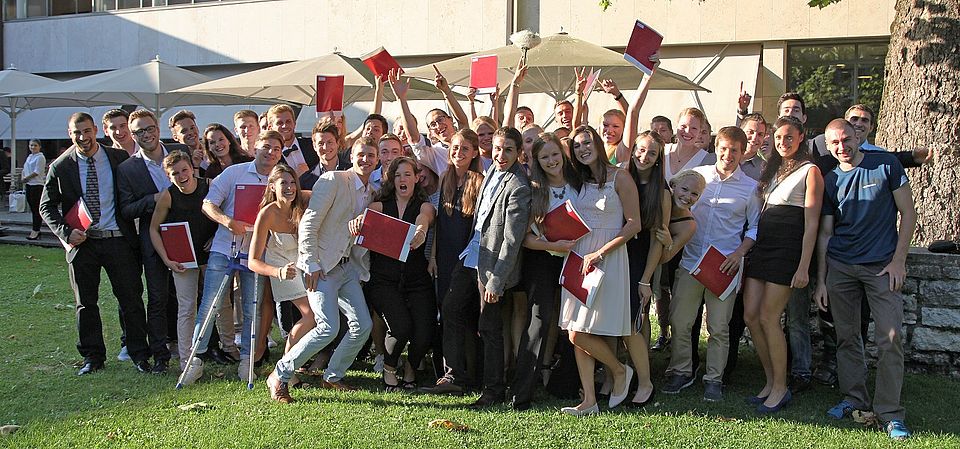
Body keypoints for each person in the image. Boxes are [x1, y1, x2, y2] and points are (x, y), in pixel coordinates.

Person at [815, 118, 916, 440]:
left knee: (890, 338)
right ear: (828, 146)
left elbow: (909, 213)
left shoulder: (885, 165)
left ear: (857, 137)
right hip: (841, 267)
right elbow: (826, 233)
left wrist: (899, 261)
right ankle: (854, 398)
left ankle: (890, 413)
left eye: (846, 139)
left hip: (881, 267)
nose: (842, 146)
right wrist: (822, 280)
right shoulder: (830, 179)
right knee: (846, 337)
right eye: (834, 143)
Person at [265, 136, 379, 403]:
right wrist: (311, 263)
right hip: (321, 267)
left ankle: (333, 376)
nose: (365, 159)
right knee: (327, 327)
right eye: (361, 154)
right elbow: (309, 223)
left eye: (371, 155)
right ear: (351, 156)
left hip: (347, 267)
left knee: (362, 325)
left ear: (377, 160)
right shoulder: (333, 180)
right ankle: (279, 375)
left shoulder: (371, 192)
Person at [424, 127, 530, 410]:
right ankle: (456, 376)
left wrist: (496, 281)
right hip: (470, 254)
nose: (501, 155)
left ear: (519, 152)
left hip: (493, 266)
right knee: (451, 308)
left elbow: (511, 240)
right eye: (497, 148)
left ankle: (493, 390)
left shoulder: (519, 186)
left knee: (489, 327)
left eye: (508, 150)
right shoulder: (492, 171)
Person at [39, 112, 151, 375]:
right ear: (70, 134)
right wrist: (66, 232)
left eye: (87, 131)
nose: (83, 137)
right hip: (83, 244)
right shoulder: (61, 166)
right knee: (85, 303)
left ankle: (139, 354)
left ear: (96, 131)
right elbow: (46, 206)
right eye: (77, 132)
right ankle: (92, 357)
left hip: (118, 240)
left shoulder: (118, 158)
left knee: (131, 299)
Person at [662, 126, 760, 402]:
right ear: (716, 147)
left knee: (719, 328)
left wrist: (739, 254)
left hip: (724, 266)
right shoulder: (698, 176)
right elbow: (675, 202)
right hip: (691, 260)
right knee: (680, 321)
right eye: (724, 148)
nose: (728, 155)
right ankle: (682, 370)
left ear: (743, 152)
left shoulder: (750, 188)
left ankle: (714, 378)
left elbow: (754, 227)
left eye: (734, 150)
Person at [181, 130, 284, 384]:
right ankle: (194, 360)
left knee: (252, 307)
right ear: (255, 147)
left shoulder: (280, 179)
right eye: (266, 147)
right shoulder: (233, 173)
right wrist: (228, 221)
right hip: (225, 247)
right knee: (210, 304)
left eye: (276, 149)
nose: (270, 153)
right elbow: (208, 204)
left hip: (257, 252)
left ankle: (247, 360)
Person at [742, 116, 823, 413]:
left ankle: (781, 387)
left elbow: (812, 225)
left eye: (789, 137)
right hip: (763, 246)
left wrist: (803, 267)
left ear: (801, 137)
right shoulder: (773, 168)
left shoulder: (810, 171)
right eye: (778, 137)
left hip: (788, 250)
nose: (783, 142)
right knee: (751, 316)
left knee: (769, 317)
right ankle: (769, 381)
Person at [559, 125, 642, 416]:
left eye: (587, 142)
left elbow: (634, 224)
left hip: (608, 257)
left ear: (597, 142)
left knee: (581, 332)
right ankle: (590, 401)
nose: (583, 149)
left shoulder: (621, 176)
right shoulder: (577, 180)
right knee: (576, 328)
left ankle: (619, 370)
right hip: (580, 256)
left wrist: (601, 252)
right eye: (577, 146)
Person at [513, 132, 581, 411]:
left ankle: (567, 385)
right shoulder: (534, 189)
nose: (552, 161)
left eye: (555, 154)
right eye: (545, 157)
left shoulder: (580, 183)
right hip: (543, 259)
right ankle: (522, 392)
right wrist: (552, 245)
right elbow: (525, 238)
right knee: (539, 321)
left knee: (575, 322)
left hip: (576, 258)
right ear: (536, 160)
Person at [359, 156, 436, 391]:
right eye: (398, 175)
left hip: (417, 279)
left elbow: (424, 218)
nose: (403, 179)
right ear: (391, 180)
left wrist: (420, 231)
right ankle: (390, 368)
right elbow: (364, 220)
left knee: (424, 333)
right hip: (383, 281)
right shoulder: (379, 206)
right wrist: (359, 221)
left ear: (416, 178)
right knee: (401, 327)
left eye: (408, 174)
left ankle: (411, 368)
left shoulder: (423, 206)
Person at [117, 109, 180, 374]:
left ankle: (196, 347)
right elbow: (126, 209)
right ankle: (160, 354)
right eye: (139, 131)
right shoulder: (127, 168)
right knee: (157, 297)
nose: (146, 134)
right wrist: (151, 200)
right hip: (152, 239)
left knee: (189, 295)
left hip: (185, 233)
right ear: (132, 135)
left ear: (158, 127)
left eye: (149, 128)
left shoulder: (179, 153)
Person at [423, 128, 485, 386]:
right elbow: (439, 223)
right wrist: (433, 256)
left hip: (467, 257)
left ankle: (467, 374)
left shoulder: (479, 181)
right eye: (455, 147)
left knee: (465, 314)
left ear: (474, 153)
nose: (458, 152)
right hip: (445, 255)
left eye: (465, 149)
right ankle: (450, 373)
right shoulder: (445, 177)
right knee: (447, 313)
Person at [148, 150, 217, 377]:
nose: (181, 176)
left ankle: (227, 347)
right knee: (187, 307)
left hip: (210, 254)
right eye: (175, 173)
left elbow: (225, 214)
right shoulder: (167, 196)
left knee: (219, 303)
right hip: (182, 258)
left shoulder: (209, 186)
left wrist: (216, 237)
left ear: (192, 169)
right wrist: (166, 259)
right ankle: (187, 359)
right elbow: (154, 229)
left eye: (184, 170)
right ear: (168, 176)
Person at [247, 164, 314, 358]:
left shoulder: (304, 201)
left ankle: (299, 359)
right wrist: (278, 272)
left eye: (293, 182)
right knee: (311, 315)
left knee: (317, 315)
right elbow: (253, 261)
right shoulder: (267, 213)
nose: (289, 187)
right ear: (272, 186)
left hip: (302, 264)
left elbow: (329, 195)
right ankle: (286, 365)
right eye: (283, 183)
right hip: (281, 267)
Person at [266, 104, 318, 177]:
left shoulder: (312, 145)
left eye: (288, 121)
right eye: (280, 123)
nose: (285, 126)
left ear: (294, 123)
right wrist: (295, 176)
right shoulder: (269, 156)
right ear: (270, 128)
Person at [663, 108, 714, 179]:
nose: (687, 131)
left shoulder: (706, 159)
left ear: (699, 131)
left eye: (694, 128)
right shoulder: (662, 150)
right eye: (683, 126)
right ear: (677, 126)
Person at [301, 118, 350, 190]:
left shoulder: (351, 172)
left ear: (338, 143)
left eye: (330, 142)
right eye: (321, 143)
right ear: (314, 146)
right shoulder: (305, 180)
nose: (325, 147)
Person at [22, 139, 46, 240]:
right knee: (32, 208)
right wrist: (23, 177)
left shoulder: (40, 157)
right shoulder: (29, 157)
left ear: (39, 147)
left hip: (37, 185)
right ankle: (36, 229)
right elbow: (25, 169)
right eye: (31, 145)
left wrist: (26, 178)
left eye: (35, 145)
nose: (33, 147)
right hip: (29, 185)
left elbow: (37, 171)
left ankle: (36, 230)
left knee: (36, 209)